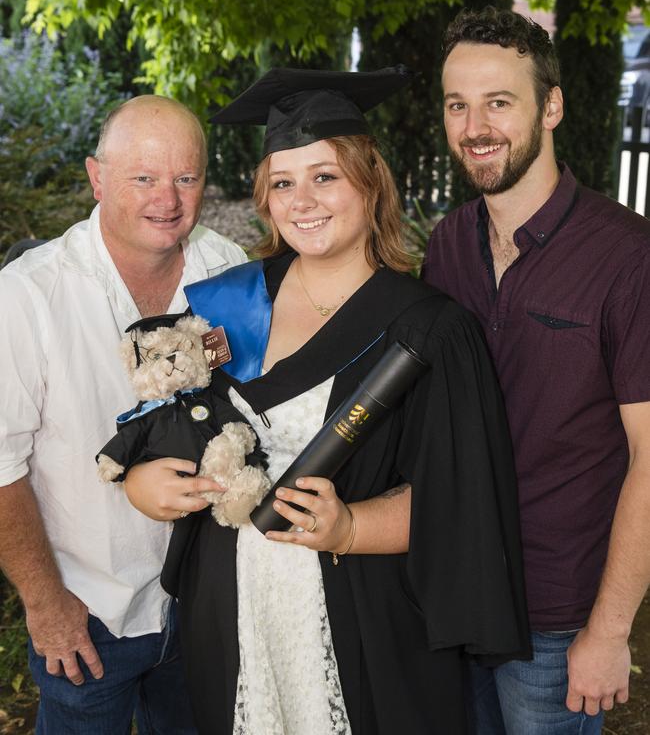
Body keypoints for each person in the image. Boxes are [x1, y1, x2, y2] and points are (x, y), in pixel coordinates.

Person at [125, 67, 531, 735]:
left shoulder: (430, 331)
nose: (302, 200)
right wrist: (145, 478)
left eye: (325, 176)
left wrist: (349, 527)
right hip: (231, 615)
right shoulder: (229, 308)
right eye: (283, 182)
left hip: (366, 620)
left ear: (371, 183)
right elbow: (179, 422)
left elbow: (462, 503)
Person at [422, 7, 650, 735]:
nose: (475, 126)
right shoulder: (448, 244)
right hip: (457, 596)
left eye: (499, 102)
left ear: (551, 106)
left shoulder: (627, 257)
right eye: (458, 104)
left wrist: (609, 632)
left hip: (557, 618)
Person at [0, 95, 247, 734]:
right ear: (97, 177)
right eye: (143, 177)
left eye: (185, 178)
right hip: (89, 613)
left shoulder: (229, 272)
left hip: (204, 603)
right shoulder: (29, 295)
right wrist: (45, 602)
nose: (166, 198)